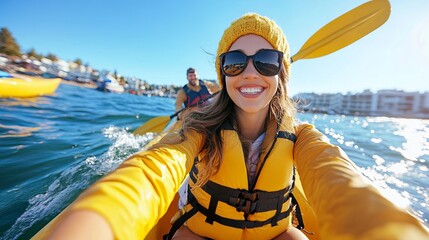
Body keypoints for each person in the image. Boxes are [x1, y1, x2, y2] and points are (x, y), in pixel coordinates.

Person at [41, 13, 428, 240]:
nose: (249, 73)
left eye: (266, 61)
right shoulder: (197, 126)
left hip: (274, 233)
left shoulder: (303, 137)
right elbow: (148, 174)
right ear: (222, 74)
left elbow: (338, 178)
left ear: (282, 73)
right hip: (199, 230)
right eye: (234, 63)